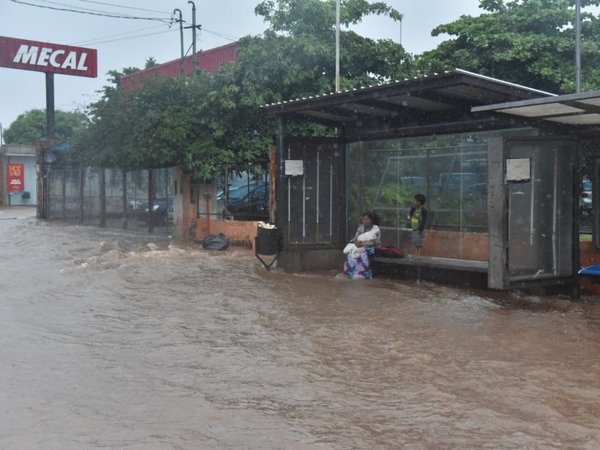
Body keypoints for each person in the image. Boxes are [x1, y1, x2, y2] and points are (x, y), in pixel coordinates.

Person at [343, 210, 381, 279]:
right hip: (360, 246)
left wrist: (363, 244)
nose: (365, 221)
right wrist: (356, 243)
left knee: (364, 253)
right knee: (350, 252)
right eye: (363, 219)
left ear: (371, 220)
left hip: (373, 248)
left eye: (367, 219)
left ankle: (364, 274)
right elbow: (355, 238)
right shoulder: (360, 228)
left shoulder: (376, 229)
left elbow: (374, 242)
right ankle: (350, 273)